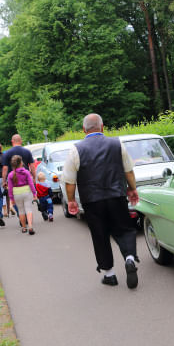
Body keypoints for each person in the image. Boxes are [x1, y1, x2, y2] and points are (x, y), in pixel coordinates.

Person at [64, 113, 139, 289]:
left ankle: (109, 274)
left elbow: (69, 180)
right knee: (125, 229)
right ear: (102, 127)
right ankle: (129, 258)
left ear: (83, 130)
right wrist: (132, 188)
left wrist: (71, 201)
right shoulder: (117, 143)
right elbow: (128, 170)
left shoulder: (76, 149)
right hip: (116, 195)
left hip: (92, 200)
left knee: (100, 235)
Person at [1, 134, 36, 218]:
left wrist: (4, 181)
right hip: (25, 178)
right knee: (26, 198)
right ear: (21, 141)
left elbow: (5, 169)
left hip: (12, 179)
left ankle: (21, 215)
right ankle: (26, 215)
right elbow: (32, 166)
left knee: (16, 199)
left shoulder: (7, 153)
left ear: (12, 141)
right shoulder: (27, 151)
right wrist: (34, 177)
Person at [7, 155, 38, 234]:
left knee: (21, 211)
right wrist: (34, 193)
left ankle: (24, 227)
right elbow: (31, 184)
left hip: (17, 193)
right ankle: (30, 226)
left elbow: (10, 188)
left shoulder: (10, 175)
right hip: (27, 192)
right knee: (29, 209)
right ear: (21, 163)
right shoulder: (26, 172)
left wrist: (11, 199)